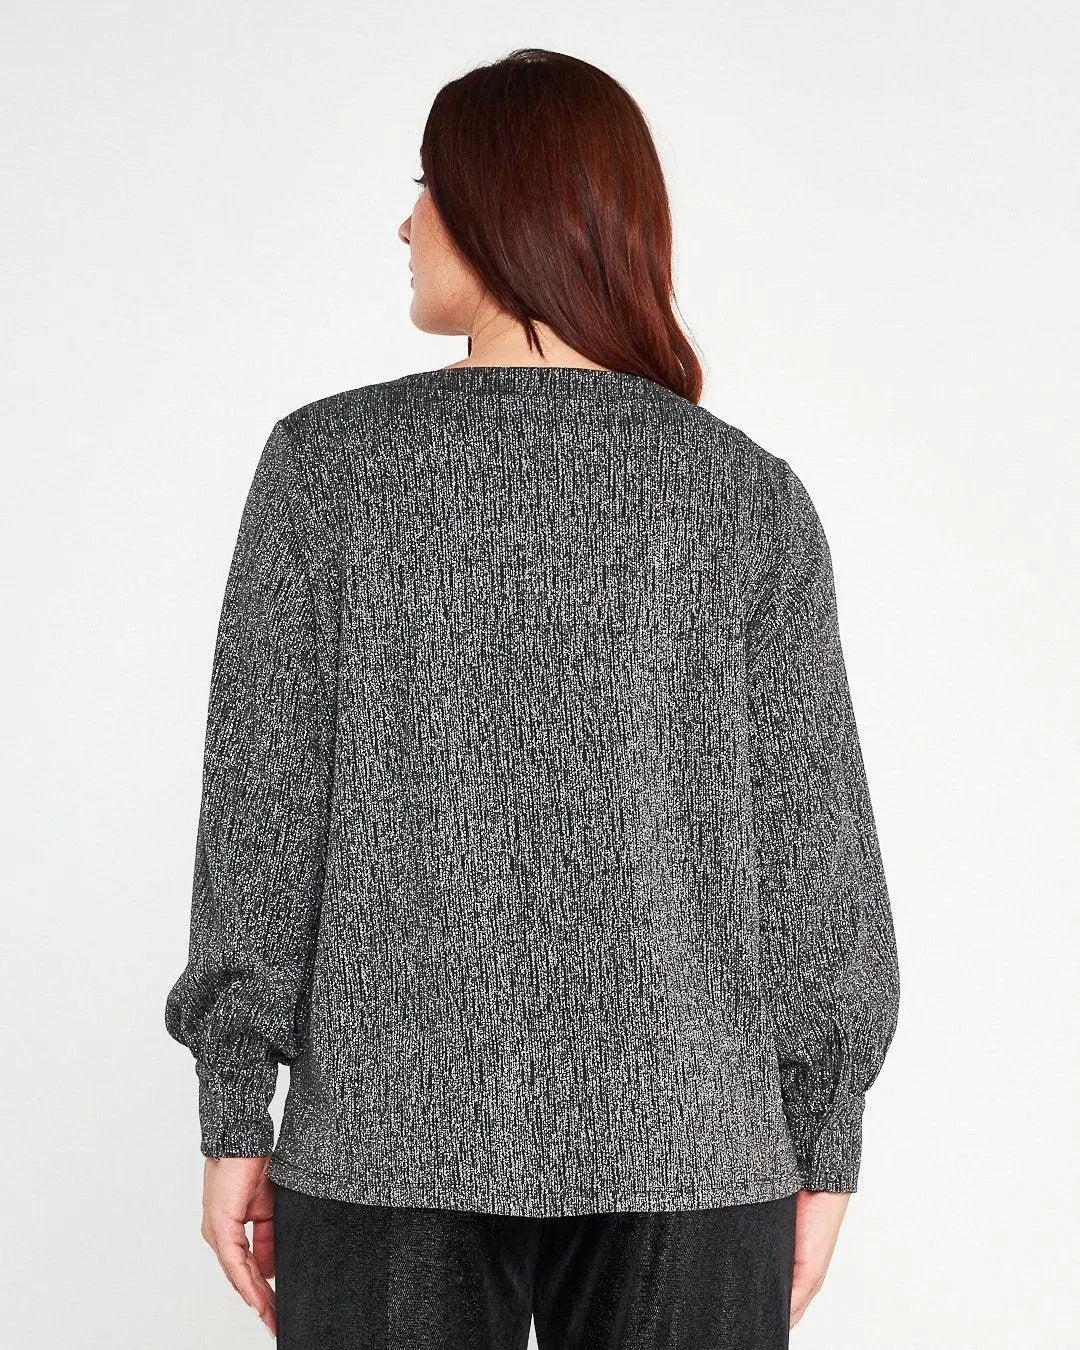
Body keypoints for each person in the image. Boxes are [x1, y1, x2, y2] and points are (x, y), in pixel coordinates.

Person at [164, 47, 901, 1349]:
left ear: (503, 203)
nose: (405, 224)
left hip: (386, 1140)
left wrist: (236, 1113)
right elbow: (816, 856)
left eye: (427, 187)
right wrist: (823, 1135)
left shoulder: (327, 469)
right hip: (693, 1146)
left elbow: (263, 815)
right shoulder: (742, 494)